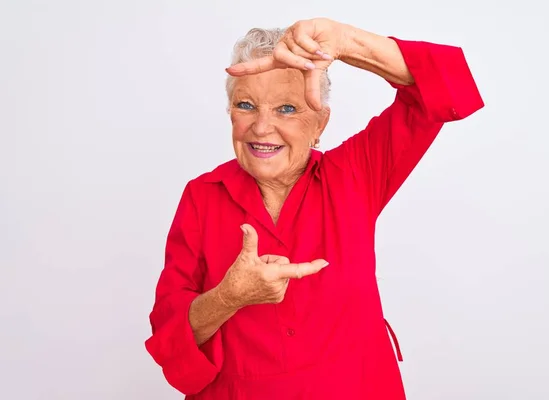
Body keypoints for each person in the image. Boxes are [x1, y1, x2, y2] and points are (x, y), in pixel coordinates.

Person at [145, 17, 484, 399]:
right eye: (246, 105)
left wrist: (346, 42)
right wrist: (229, 296)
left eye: (287, 109)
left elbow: (446, 86)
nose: (260, 128)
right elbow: (170, 337)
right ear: (230, 114)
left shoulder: (356, 174)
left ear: (320, 121)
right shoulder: (202, 196)